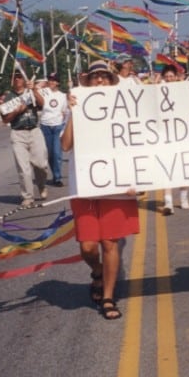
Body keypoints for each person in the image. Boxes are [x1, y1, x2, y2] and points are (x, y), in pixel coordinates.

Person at [61, 60, 139, 320]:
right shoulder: (76, 106)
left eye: (105, 76)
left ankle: (108, 297)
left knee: (109, 242)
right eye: (95, 77)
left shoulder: (123, 109)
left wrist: (136, 180)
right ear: (88, 81)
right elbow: (65, 145)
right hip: (84, 187)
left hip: (115, 187)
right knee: (88, 247)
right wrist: (73, 113)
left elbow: (137, 144)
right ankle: (97, 270)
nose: (100, 81)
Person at [0, 71, 49, 207]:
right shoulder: (8, 97)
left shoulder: (30, 92)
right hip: (18, 133)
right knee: (23, 168)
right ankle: (27, 196)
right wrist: (16, 111)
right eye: (15, 77)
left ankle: (42, 185)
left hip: (34, 130)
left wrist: (34, 90)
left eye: (20, 77)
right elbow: (5, 119)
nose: (17, 79)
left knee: (41, 164)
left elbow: (42, 104)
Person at [158, 64, 189, 214]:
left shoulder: (183, 91)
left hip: (182, 135)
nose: (169, 79)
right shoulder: (158, 92)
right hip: (166, 136)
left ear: (176, 77)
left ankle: (184, 199)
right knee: (167, 169)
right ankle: (168, 202)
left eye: (171, 76)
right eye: (166, 77)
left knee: (184, 169)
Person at [39, 72, 69, 186]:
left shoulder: (62, 96)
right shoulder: (44, 92)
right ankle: (54, 174)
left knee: (57, 153)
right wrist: (38, 87)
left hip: (57, 126)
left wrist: (63, 126)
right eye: (50, 80)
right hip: (45, 125)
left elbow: (65, 112)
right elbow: (34, 94)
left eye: (53, 80)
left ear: (58, 83)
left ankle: (57, 178)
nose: (51, 82)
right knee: (50, 154)